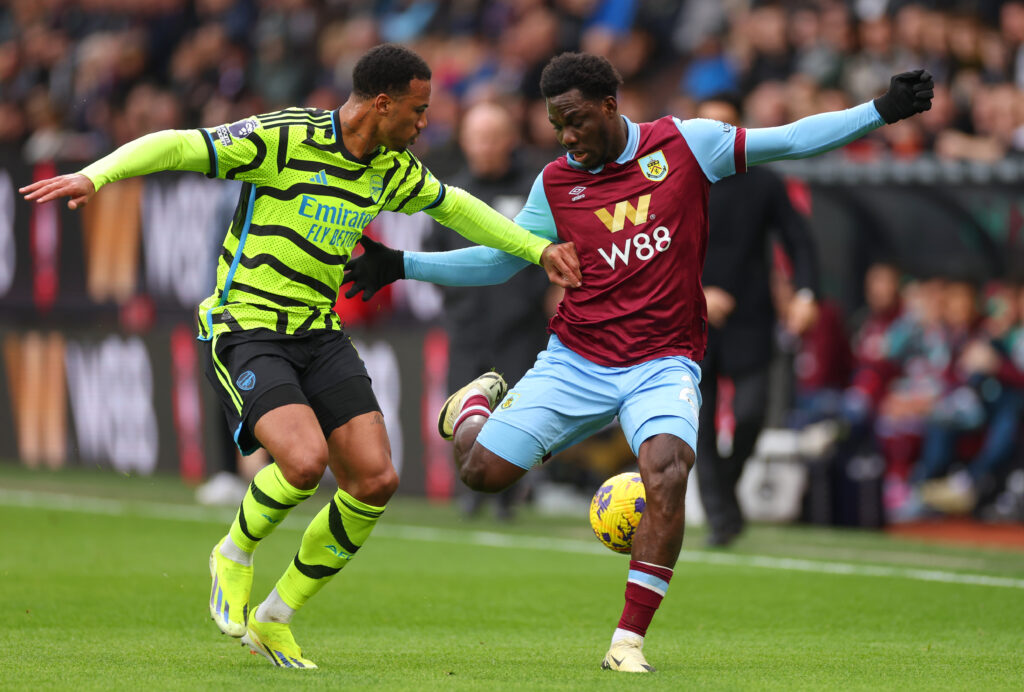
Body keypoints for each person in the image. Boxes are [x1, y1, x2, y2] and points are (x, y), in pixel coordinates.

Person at [343, 53, 933, 673]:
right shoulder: (556, 184)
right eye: (555, 124)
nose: (567, 137)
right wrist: (404, 264)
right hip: (576, 358)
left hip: (664, 361)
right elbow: (501, 260)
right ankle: (473, 407)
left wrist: (881, 110)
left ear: (609, 106)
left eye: (575, 121)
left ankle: (628, 641)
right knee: (479, 472)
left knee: (669, 471)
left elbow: (787, 140)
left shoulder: (684, 144)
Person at [20, 43, 581, 670]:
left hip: (319, 332)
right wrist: (96, 174)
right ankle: (232, 554)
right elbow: (178, 144)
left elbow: (460, 208)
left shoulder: (393, 169)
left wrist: (537, 250)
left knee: (375, 480)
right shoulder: (285, 138)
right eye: (418, 110)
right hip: (246, 327)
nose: (425, 123)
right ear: (382, 103)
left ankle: (276, 617)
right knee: (305, 460)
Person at [691, 93, 821, 548]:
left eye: (726, 127)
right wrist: (698, 295)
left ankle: (724, 488)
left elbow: (800, 241)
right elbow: (653, 256)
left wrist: (805, 293)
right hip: (689, 324)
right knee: (697, 427)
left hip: (751, 319)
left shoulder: (763, 182)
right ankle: (723, 520)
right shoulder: (673, 184)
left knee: (750, 414)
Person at [422, 100, 553, 519]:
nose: (485, 146)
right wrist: (454, 299)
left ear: (510, 140)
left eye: (493, 137)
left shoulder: (535, 188)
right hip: (467, 325)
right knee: (462, 406)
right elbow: (431, 250)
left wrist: (536, 297)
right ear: (465, 141)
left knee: (514, 410)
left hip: (520, 325)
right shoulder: (450, 195)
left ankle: (509, 493)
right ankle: (471, 489)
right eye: (477, 138)